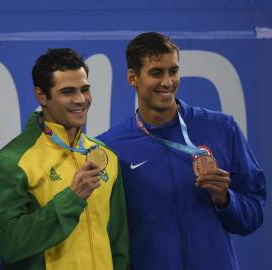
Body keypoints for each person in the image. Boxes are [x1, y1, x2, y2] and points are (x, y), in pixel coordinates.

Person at [97, 32, 266, 270]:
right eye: (156, 72)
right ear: (132, 77)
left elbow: (253, 215)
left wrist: (226, 199)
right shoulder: (111, 147)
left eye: (173, 71)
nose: (167, 82)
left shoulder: (221, 129)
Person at [0, 48, 130, 270]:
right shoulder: (13, 161)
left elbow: (118, 244)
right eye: (67, 92)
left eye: (85, 89)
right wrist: (72, 198)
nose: (80, 100)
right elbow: (7, 244)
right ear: (41, 96)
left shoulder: (105, 156)